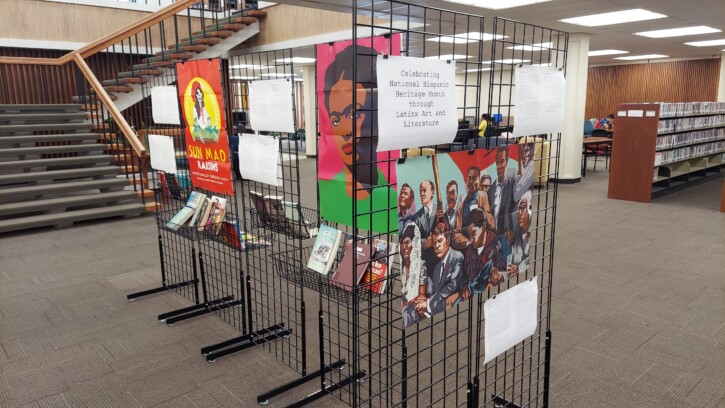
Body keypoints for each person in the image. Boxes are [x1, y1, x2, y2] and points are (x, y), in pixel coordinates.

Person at [318, 44, 397, 233]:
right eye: (336, 120)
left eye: (354, 114)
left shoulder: (392, 194)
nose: (345, 131)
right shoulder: (329, 186)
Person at [416, 222, 464, 318]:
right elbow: (435, 293)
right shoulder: (437, 269)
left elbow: (452, 285)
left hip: (456, 310)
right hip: (438, 310)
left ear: (448, 240)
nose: (436, 246)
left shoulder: (457, 256)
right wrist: (425, 307)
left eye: (440, 241)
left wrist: (428, 303)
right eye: (434, 243)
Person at [462, 208, 506, 296]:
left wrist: (496, 277)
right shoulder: (469, 251)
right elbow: (464, 275)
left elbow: (501, 267)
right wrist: (464, 286)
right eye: (470, 234)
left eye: (474, 233)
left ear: (484, 226)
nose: (472, 238)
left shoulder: (495, 243)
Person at [488, 147, 519, 233]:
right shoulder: (491, 190)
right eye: (497, 163)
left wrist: (508, 228)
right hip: (493, 237)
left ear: (507, 161)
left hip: (508, 234)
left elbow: (514, 207)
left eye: (502, 161)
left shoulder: (513, 182)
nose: (499, 166)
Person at [505, 192, 531, 279]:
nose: (520, 213)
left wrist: (519, 268)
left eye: (523, 208)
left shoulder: (530, 229)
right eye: (519, 209)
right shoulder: (516, 229)